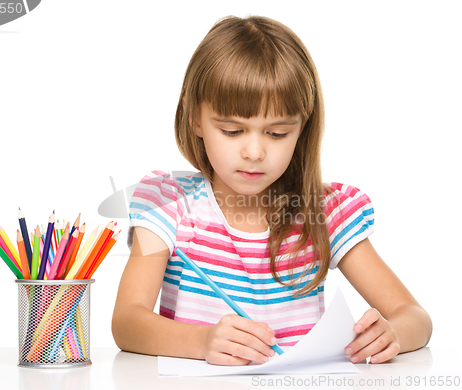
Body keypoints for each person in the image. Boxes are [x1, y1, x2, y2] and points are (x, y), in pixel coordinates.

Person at [112, 15, 432, 366]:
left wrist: (393, 334)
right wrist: (203, 341)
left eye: (277, 133)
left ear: (302, 127)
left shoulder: (324, 212)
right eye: (232, 131)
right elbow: (127, 322)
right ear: (194, 117)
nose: (254, 152)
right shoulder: (169, 203)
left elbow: (415, 317)